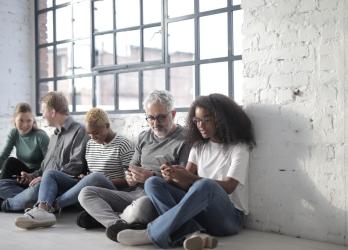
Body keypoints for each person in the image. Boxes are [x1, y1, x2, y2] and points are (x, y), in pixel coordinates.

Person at [116, 93, 256, 250]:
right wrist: (173, 176)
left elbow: (229, 186)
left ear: (221, 119)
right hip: (200, 214)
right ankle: (190, 232)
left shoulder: (238, 147)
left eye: (206, 119)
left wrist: (190, 178)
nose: (200, 125)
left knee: (205, 186)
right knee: (153, 182)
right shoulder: (199, 146)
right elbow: (184, 185)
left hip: (228, 218)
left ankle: (152, 233)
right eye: (197, 120)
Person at [77, 90, 190, 242]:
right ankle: (117, 224)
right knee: (86, 193)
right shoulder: (144, 136)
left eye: (161, 117)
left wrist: (153, 177)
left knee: (142, 207)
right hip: (134, 193)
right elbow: (131, 167)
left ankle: (106, 218)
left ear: (173, 114)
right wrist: (130, 177)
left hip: (157, 197)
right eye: (150, 118)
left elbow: (185, 183)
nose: (155, 123)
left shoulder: (185, 139)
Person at [15, 108, 135, 229]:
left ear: (107, 126)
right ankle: (42, 209)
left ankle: (50, 207)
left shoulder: (123, 144)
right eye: (89, 133)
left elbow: (130, 182)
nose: (92, 137)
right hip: (87, 192)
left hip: (111, 192)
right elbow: (89, 173)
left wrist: (102, 180)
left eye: (96, 133)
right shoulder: (90, 144)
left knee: (96, 177)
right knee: (51, 173)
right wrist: (84, 178)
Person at [0, 92, 89, 213]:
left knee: (38, 188)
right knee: (3, 184)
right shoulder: (54, 136)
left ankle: (7, 204)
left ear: (52, 112)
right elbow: (44, 168)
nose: (42, 116)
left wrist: (44, 178)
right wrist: (31, 176)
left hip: (63, 185)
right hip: (43, 184)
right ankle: (29, 200)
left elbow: (75, 166)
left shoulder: (79, 131)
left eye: (43, 111)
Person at [0, 103, 49, 179]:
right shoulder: (14, 133)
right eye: (21, 120)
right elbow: (4, 155)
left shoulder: (41, 136)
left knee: (10, 162)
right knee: (9, 163)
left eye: (29, 121)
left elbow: (49, 162)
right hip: (22, 172)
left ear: (33, 121)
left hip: (37, 173)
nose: (25, 125)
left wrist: (36, 176)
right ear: (15, 120)